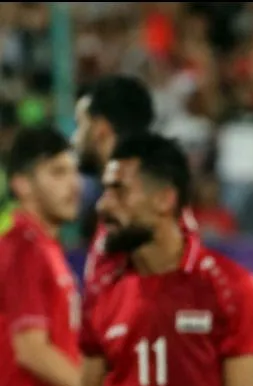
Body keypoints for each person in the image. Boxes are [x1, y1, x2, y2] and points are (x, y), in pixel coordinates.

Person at [63, 133, 253, 386]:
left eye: (119, 191)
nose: (103, 205)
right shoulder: (104, 290)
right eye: (105, 190)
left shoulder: (229, 287)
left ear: (164, 199)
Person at [0, 126, 83, 386]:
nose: (73, 185)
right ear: (22, 184)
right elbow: (31, 350)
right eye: (57, 172)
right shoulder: (23, 249)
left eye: (74, 172)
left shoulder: (47, 250)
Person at [72, 74, 198, 298]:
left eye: (80, 125)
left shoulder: (151, 209)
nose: (75, 139)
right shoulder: (114, 206)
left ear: (99, 129)